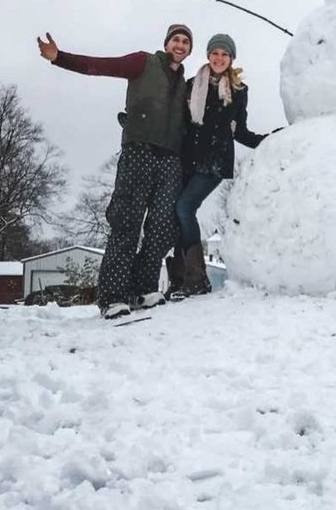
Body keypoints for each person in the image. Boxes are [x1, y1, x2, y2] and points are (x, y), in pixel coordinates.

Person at [37, 24, 193, 319]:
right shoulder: (143, 62)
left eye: (186, 41)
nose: (181, 45)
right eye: (176, 39)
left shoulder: (187, 85)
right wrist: (60, 57)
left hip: (170, 159)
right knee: (126, 223)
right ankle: (113, 296)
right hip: (139, 152)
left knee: (162, 228)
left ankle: (144, 288)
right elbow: (101, 65)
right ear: (167, 42)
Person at [168, 33, 266, 299]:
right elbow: (179, 122)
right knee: (177, 215)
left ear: (231, 59)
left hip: (214, 162)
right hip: (187, 159)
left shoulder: (239, 91)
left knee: (184, 207)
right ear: (208, 55)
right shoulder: (191, 85)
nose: (219, 58)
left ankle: (197, 279)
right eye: (215, 53)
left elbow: (241, 131)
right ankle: (178, 281)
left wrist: (268, 140)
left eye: (225, 54)